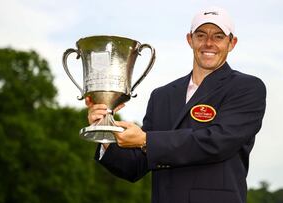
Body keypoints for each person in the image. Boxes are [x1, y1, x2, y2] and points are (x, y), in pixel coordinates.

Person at [86, 6, 266, 203]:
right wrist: (106, 133)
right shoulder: (162, 95)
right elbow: (135, 167)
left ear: (232, 43)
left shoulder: (246, 88)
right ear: (190, 40)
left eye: (218, 37)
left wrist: (145, 140)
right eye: (201, 35)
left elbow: (217, 142)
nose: (208, 43)